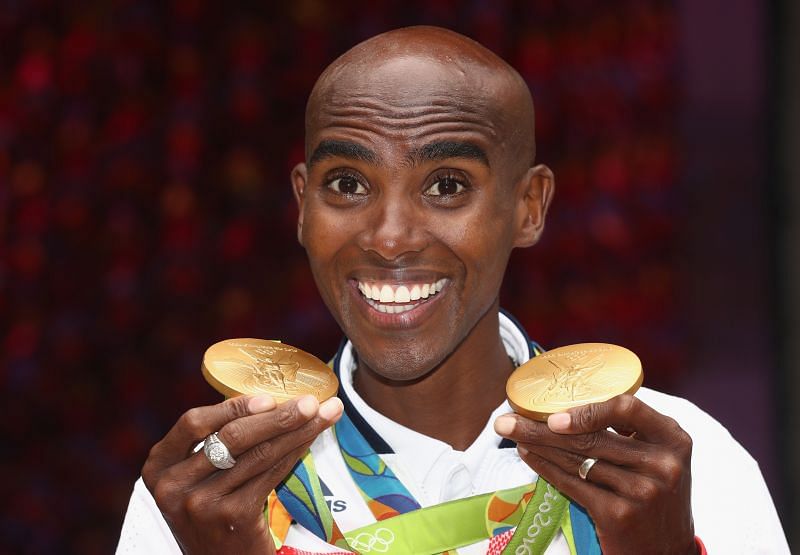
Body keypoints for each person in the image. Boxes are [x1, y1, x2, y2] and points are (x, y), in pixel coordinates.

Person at [117, 26, 788, 554]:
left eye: (447, 186)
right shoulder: (209, 491)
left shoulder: (677, 465)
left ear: (529, 206)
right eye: (347, 184)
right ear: (301, 205)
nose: (388, 236)